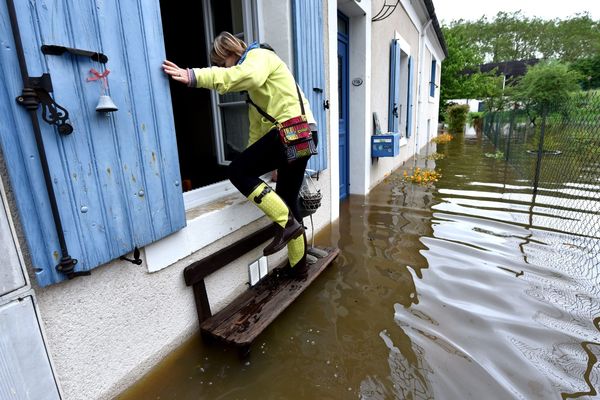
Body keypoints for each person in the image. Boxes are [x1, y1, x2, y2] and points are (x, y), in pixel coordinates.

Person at [162, 32, 317, 274]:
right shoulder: (256, 92)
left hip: (292, 131)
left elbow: (246, 76)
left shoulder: (259, 56)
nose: (223, 68)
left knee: (237, 171)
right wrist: (266, 162)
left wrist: (194, 76)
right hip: (303, 133)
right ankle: (298, 269)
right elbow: (258, 131)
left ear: (230, 52)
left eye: (222, 63)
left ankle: (287, 225)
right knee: (288, 199)